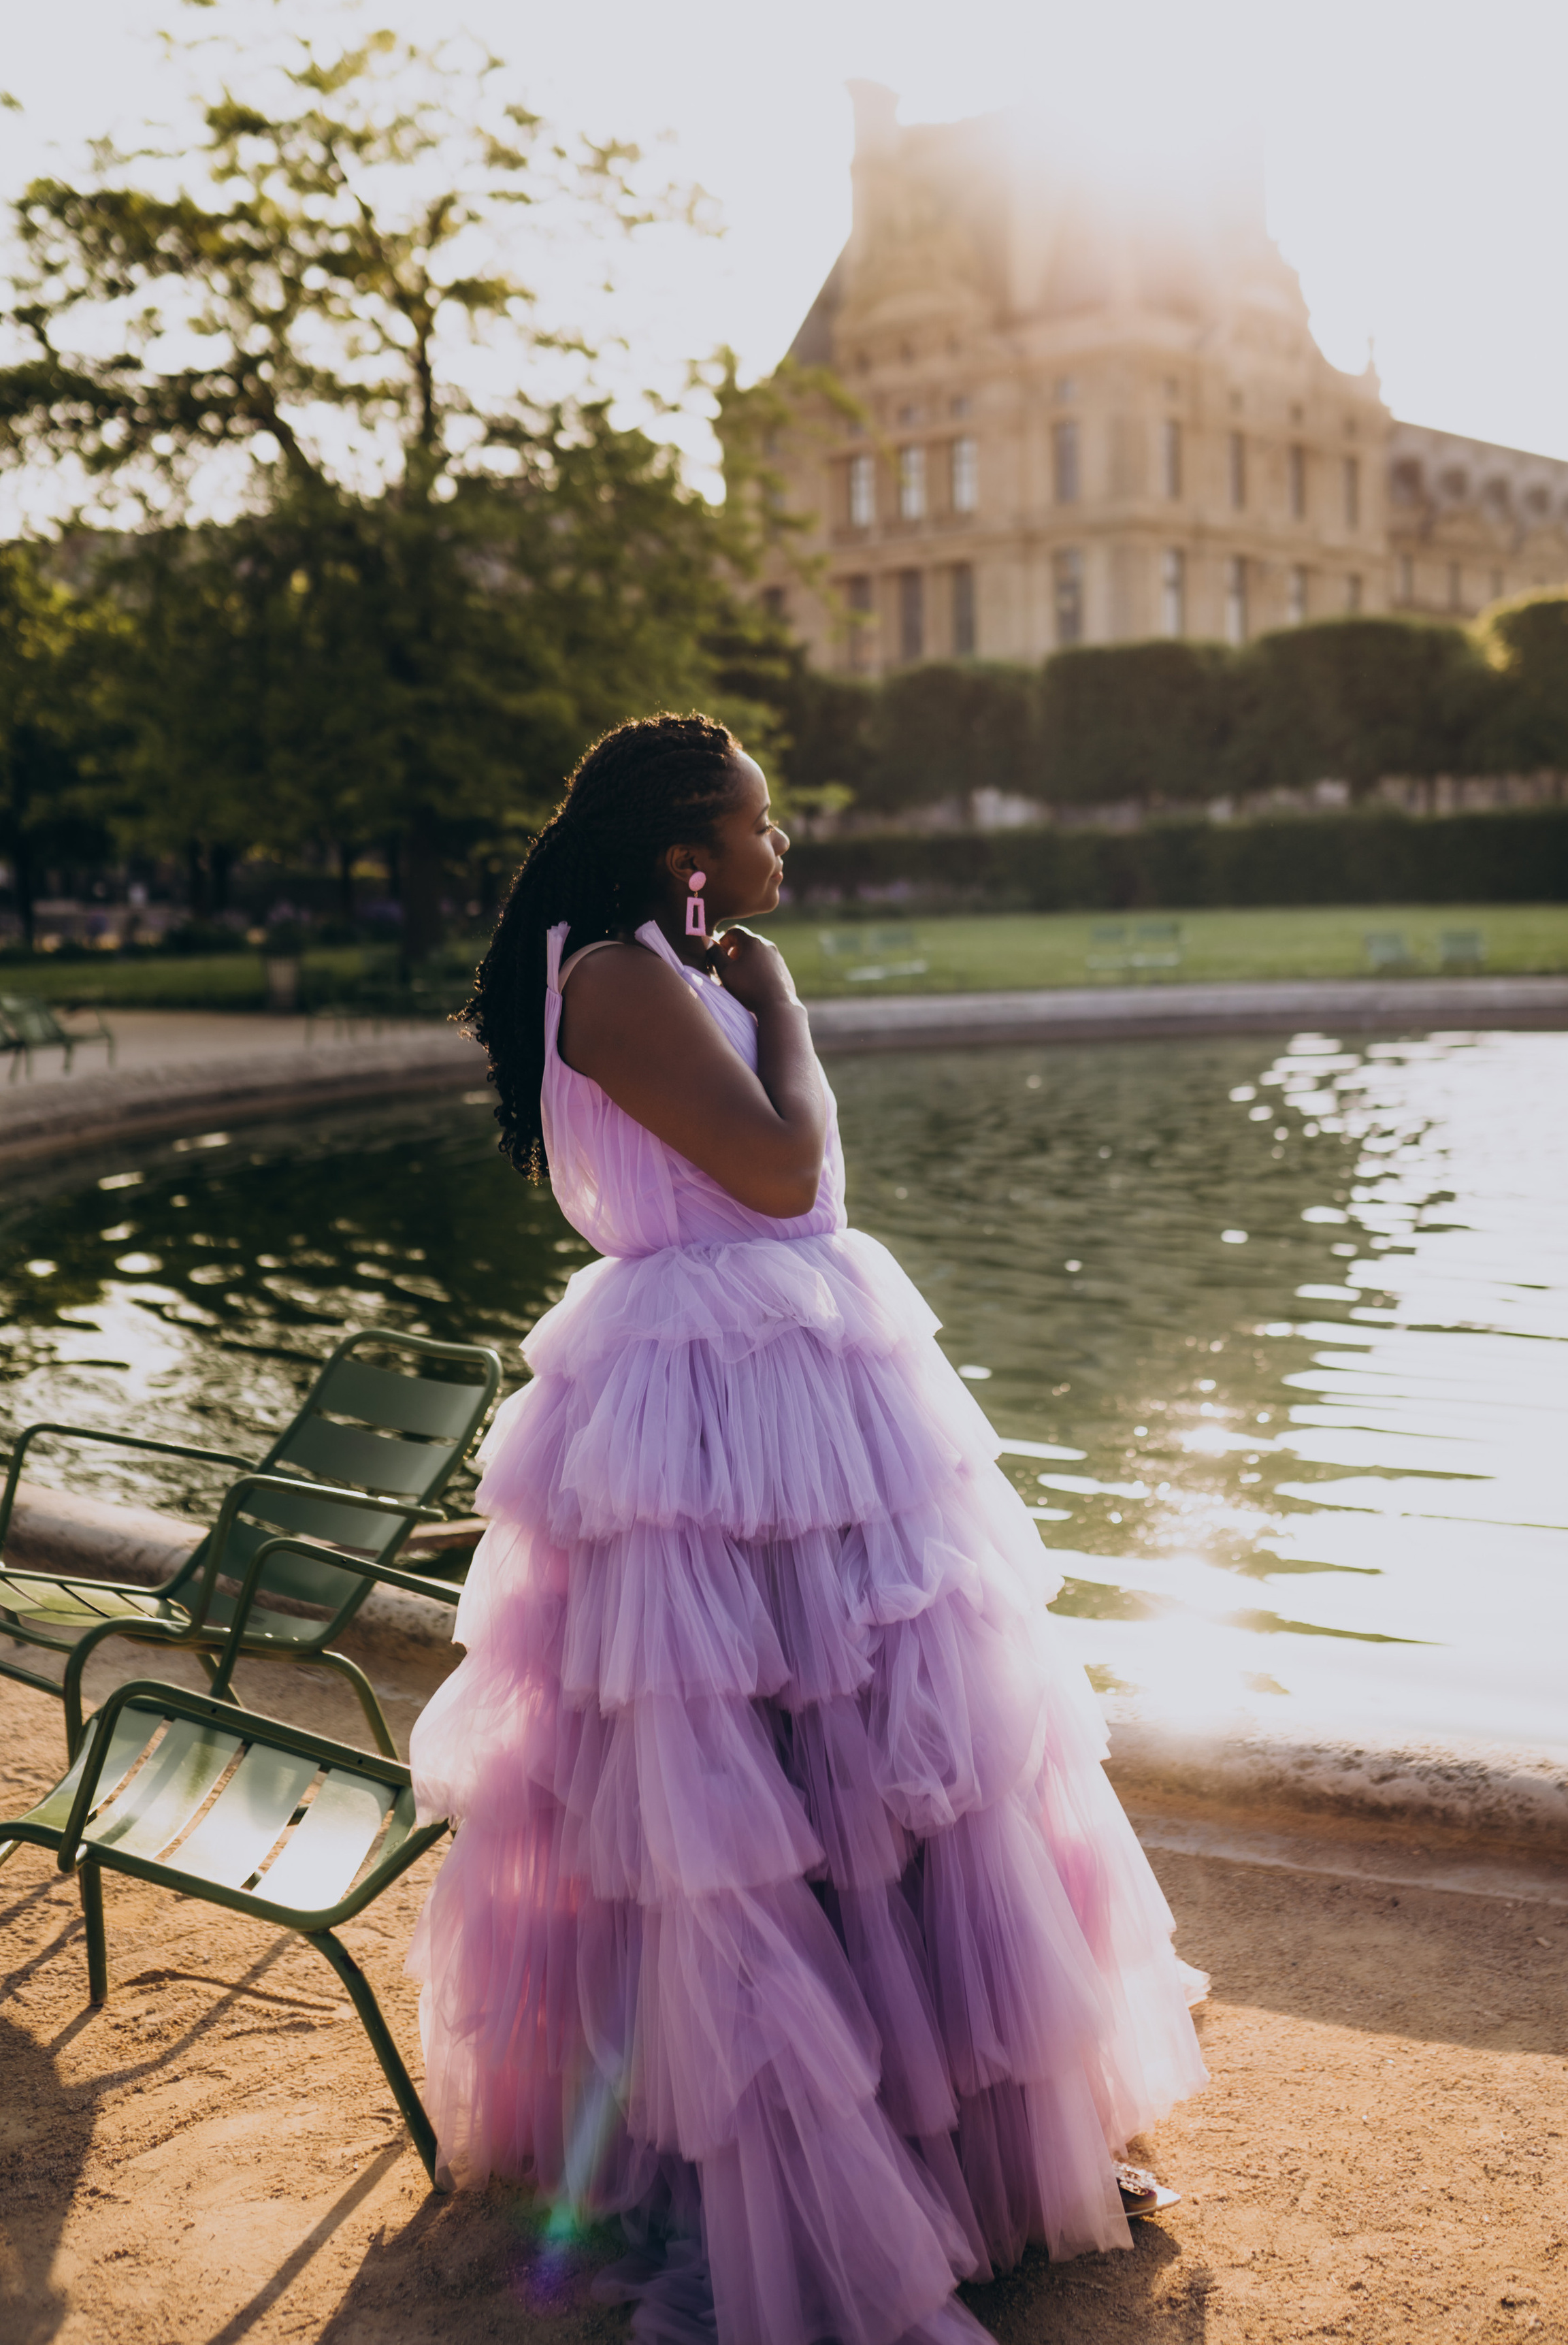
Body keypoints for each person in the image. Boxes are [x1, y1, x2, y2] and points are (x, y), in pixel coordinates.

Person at [409, 712, 1208, 2344]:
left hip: (774, 1381)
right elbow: (781, 1176)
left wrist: (755, 994)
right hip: (723, 1402)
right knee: (752, 1792)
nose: (782, 847)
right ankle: (805, 2193)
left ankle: (935, 2148)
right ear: (686, 858)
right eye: (760, 824)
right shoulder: (616, 979)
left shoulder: (649, 962)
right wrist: (780, 1008)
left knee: (877, 1769)